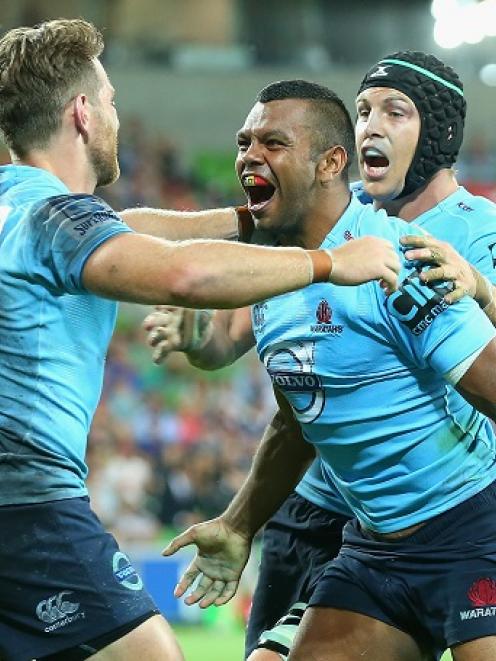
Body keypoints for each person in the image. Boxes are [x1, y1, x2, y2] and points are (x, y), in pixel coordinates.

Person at [0, 19, 403, 661]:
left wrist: (267, 215)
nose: (115, 117)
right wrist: (330, 263)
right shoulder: (59, 217)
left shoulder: (19, 208)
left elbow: (137, 227)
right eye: (109, 102)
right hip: (25, 504)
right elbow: (182, 272)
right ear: (81, 113)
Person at [146, 58, 496, 661]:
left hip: (469, 532)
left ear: (329, 164)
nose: (249, 156)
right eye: (243, 143)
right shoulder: (270, 279)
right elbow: (295, 420)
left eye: (273, 143)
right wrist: (236, 524)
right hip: (371, 547)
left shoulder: (400, 262)